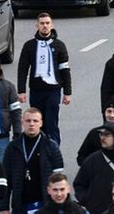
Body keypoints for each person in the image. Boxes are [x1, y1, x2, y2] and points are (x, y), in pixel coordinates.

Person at [17, 13, 73, 146]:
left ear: (52, 25)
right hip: (36, 91)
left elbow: (65, 70)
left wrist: (67, 92)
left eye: (47, 23)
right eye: (42, 23)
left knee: (51, 122)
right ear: (37, 26)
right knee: (36, 122)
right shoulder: (29, 46)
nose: (45, 26)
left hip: (53, 90)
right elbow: (22, 69)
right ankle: (38, 150)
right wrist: (21, 91)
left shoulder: (59, 45)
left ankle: (53, 150)